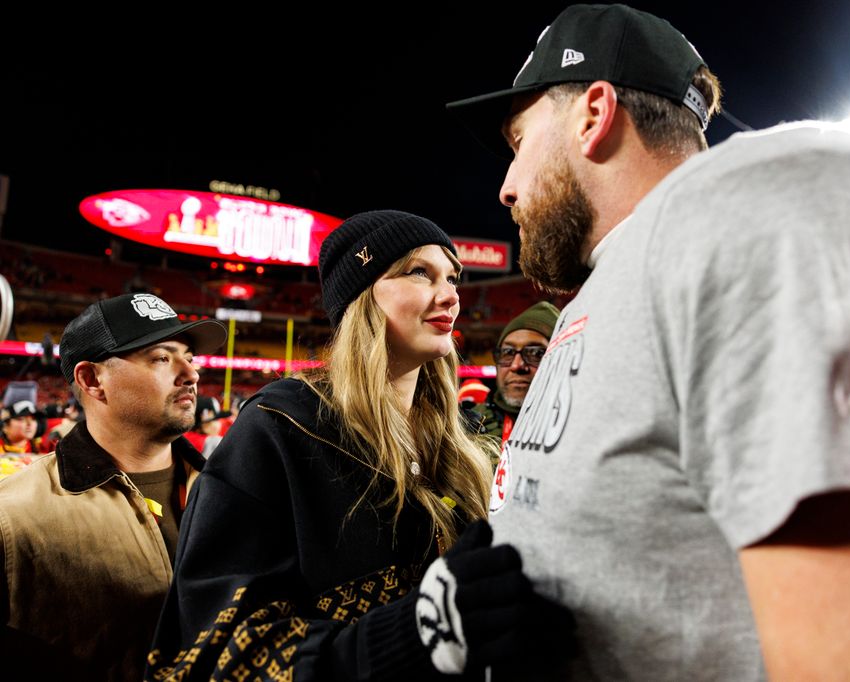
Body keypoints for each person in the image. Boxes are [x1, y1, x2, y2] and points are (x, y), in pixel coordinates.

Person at [448, 4, 850, 679]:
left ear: (594, 113)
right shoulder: (621, 273)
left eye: (519, 141)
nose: (506, 187)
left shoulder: (738, 220)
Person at [146, 211, 573, 680]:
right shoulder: (280, 429)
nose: (451, 295)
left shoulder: (465, 439)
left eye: (453, 277)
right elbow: (213, 654)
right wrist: (413, 635)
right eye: (419, 272)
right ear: (362, 295)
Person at [0, 292, 226, 680]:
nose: (191, 374)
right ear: (92, 379)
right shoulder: (13, 519)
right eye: (161, 357)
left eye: (190, 358)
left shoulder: (231, 491)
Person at [474, 301, 559, 456]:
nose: (517, 365)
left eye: (535, 353)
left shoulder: (577, 428)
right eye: (508, 352)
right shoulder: (469, 429)